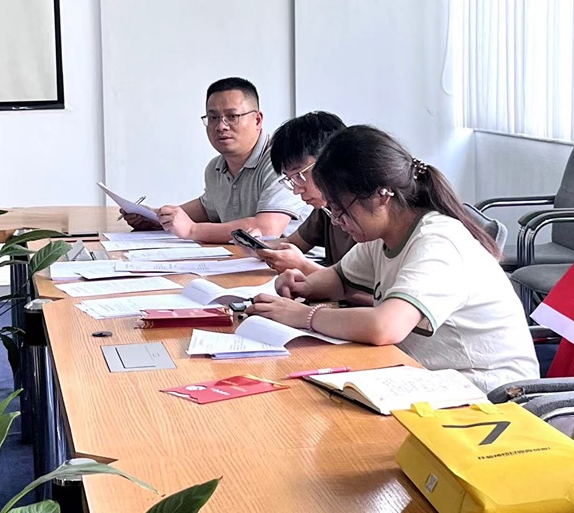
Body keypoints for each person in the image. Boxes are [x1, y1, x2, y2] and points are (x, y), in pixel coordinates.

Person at [246, 125, 539, 392]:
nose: (336, 220)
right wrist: (302, 286)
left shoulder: (438, 242)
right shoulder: (384, 235)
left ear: (381, 196)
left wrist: (304, 316)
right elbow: (338, 280)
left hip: (490, 394)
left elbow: (385, 326)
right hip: (427, 377)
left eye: (340, 209)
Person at [123, 78, 305, 243]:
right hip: (247, 260)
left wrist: (192, 230)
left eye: (232, 116)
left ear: (257, 120)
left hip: (300, 265)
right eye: (213, 118)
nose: (221, 126)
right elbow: (206, 209)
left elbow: (267, 229)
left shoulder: (281, 160)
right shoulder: (215, 168)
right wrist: (155, 218)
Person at [254, 111, 356, 274]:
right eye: (290, 179)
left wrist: (304, 266)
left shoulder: (368, 211)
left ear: (330, 159)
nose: (296, 190)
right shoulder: (326, 208)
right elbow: (291, 244)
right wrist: (256, 246)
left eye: (299, 176)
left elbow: (366, 287)